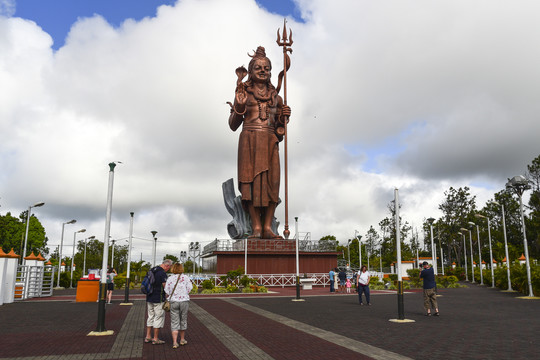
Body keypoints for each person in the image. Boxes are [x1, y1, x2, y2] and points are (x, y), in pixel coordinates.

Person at [229, 46, 291, 239]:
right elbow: (232, 125)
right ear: (251, 71)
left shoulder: (277, 97)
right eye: (258, 68)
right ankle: (256, 227)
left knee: (272, 185)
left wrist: (284, 118)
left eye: (267, 68)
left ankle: (267, 228)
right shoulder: (244, 95)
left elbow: (281, 129)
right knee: (252, 186)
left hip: (270, 141)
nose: (263, 71)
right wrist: (239, 106)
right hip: (249, 141)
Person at [165, 263, 193, 349]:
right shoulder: (186, 278)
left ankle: (174, 342)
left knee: (174, 321)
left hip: (173, 301)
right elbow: (190, 288)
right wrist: (183, 293)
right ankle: (182, 339)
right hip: (184, 301)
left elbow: (167, 290)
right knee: (183, 319)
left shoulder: (170, 278)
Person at [145, 259, 173, 345]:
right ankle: (155, 338)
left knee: (150, 316)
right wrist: (169, 294)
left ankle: (148, 336)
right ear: (167, 265)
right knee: (158, 317)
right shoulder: (162, 273)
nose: (168, 269)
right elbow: (165, 286)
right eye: (169, 267)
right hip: (158, 298)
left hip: (149, 297)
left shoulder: (152, 270)